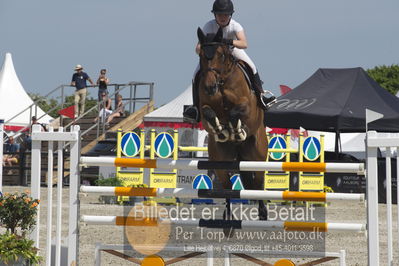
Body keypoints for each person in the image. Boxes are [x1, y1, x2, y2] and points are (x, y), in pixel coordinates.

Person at [183, 0, 276, 123]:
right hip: (215, 56)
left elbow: (244, 43)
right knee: (196, 75)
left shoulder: (235, 26)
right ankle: (195, 107)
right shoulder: (208, 26)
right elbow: (197, 48)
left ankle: (261, 96)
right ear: (215, 15)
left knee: (252, 67)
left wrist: (229, 42)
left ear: (230, 15)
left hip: (232, 51)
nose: (222, 17)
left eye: (225, 15)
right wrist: (204, 48)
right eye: (219, 15)